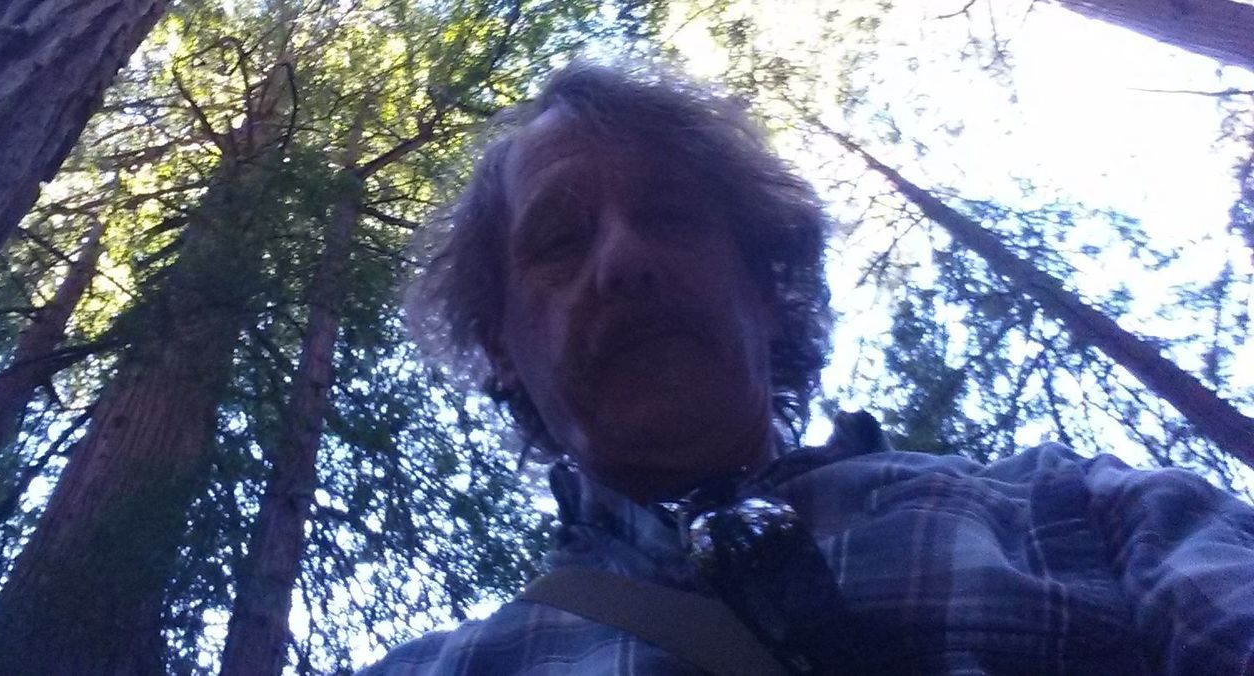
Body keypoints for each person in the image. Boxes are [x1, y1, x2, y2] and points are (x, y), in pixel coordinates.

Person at [360, 62, 1254, 675]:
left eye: (671, 216)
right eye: (560, 240)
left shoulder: (1086, 515)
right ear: (500, 344)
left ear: (767, 284)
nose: (625, 260)